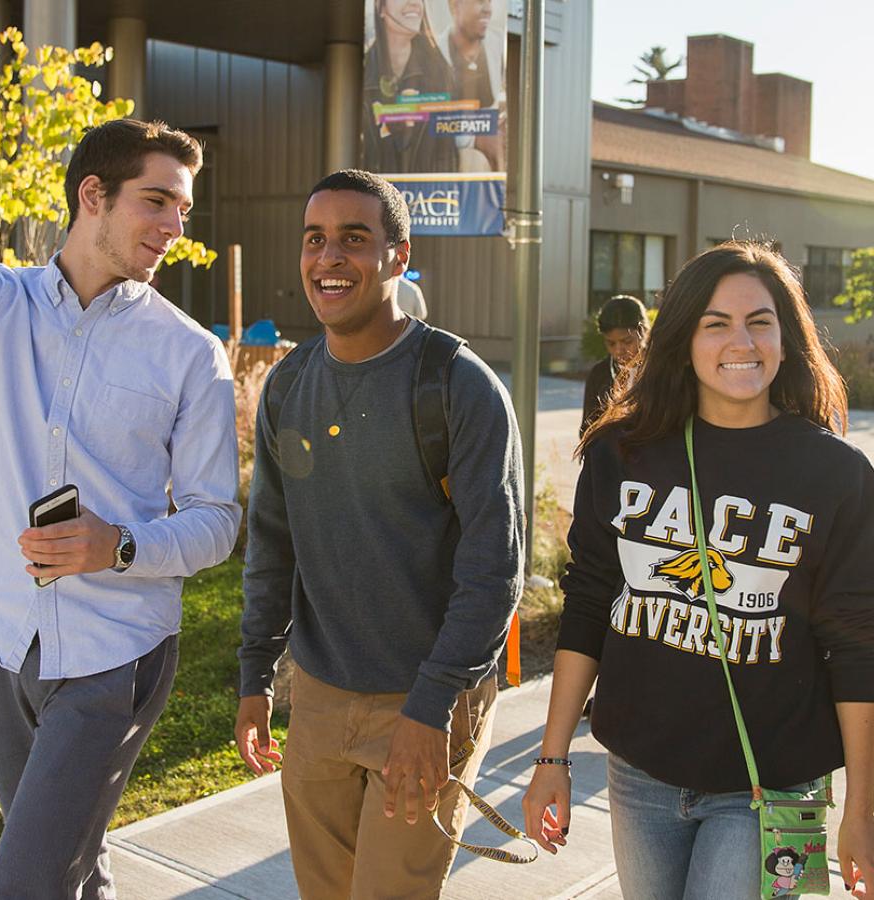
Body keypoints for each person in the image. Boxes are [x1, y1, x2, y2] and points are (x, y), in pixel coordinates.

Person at [0, 119, 241, 898]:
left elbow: (217, 519)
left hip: (111, 657)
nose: (173, 227)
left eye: (183, 211)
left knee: (24, 883)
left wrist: (117, 546)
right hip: (0, 640)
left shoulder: (191, 352)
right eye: (156, 201)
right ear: (93, 195)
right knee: (71, 864)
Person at [522, 242, 874, 899]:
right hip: (640, 773)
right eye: (716, 323)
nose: (741, 341)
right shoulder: (625, 454)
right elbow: (587, 604)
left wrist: (861, 811)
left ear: (786, 337)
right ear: (684, 339)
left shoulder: (836, 476)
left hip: (774, 786)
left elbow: (860, 647)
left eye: (760, 320)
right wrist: (552, 757)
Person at [234, 169, 524, 899]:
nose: (329, 258)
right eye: (315, 240)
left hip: (427, 698)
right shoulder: (290, 384)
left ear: (398, 256)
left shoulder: (457, 385)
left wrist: (431, 709)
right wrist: (255, 677)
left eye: (353, 240)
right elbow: (272, 543)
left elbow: (496, 571)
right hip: (322, 696)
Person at [360, 0, 461, 173]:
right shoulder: (363, 72)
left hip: (429, 194)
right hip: (377, 193)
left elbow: (447, 150)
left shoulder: (440, 71)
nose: (414, 3)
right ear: (381, 8)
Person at [437, 0, 505, 170]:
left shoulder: (498, 46)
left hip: (495, 151)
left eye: (489, 2)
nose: (488, 10)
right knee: (473, 161)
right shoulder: (433, 55)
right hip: (450, 158)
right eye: (480, 2)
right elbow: (426, 124)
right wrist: (475, 139)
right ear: (454, 5)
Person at [580, 294, 649, 436]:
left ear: (643, 332)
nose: (618, 350)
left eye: (627, 341)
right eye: (611, 343)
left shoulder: (660, 370)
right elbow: (587, 430)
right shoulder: (599, 375)